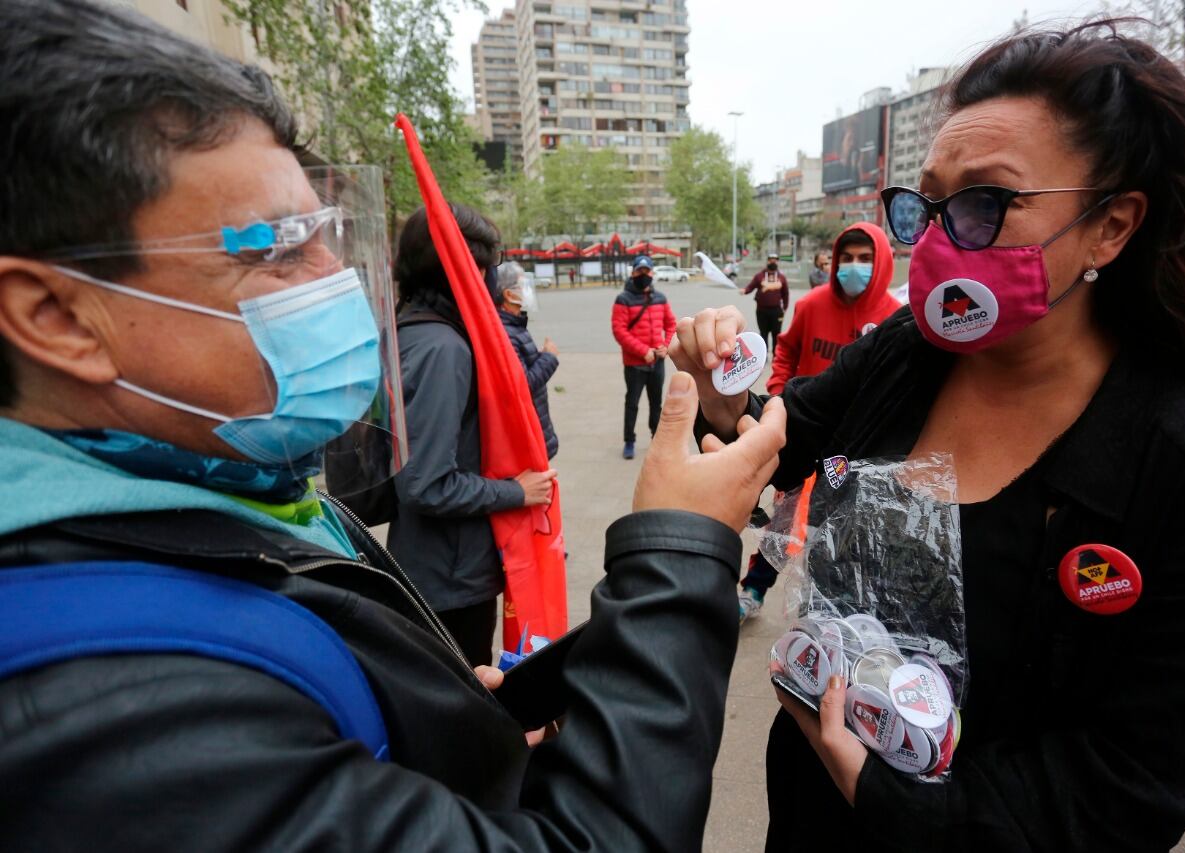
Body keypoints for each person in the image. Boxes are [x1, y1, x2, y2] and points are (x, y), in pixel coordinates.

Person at [0, 2, 790, 848]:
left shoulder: (232, 481)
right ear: (58, 318)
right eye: (275, 250)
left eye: (330, 240)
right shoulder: (109, 714)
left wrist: (455, 721)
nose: (333, 283)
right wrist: (681, 547)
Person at [672, 21, 1185, 850]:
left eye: (986, 202)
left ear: (1112, 225)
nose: (939, 239)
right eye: (927, 203)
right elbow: (774, 442)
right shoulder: (904, 354)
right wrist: (717, 398)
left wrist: (901, 805)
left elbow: (1147, 776)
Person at [389, 205, 555, 668]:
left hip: (441, 566)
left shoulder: (418, 331)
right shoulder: (442, 349)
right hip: (449, 579)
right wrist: (516, 491)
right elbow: (425, 482)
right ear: (466, 270)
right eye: (488, 265)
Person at [737, 223, 901, 622]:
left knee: (842, 530)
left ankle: (827, 606)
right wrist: (778, 394)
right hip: (805, 437)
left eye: (865, 259)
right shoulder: (811, 305)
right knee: (783, 519)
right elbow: (787, 349)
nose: (854, 266)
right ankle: (753, 589)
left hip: (858, 449)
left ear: (882, 264)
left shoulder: (896, 319)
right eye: (847, 258)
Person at [611, 255, 677, 460]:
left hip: (657, 362)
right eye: (639, 271)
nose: (643, 275)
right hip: (635, 364)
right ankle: (629, 440)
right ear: (633, 273)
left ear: (652, 273)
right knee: (632, 403)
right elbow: (619, 331)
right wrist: (643, 351)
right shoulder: (623, 299)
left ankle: (656, 439)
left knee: (656, 403)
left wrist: (665, 347)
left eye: (646, 271)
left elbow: (671, 324)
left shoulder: (660, 298)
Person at [493, 262, 560, 459]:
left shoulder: (515, 324)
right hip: (526, 431)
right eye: (522, 285)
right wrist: (548, 357)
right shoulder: (506, 331)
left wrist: (538, 357)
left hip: (535, 423)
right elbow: (523, 385)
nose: (527, 291)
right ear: (508, 294)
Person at [743, 251, 790, 353]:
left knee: (776, 334)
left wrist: (785, 308)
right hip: (762, 311)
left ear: (777, 262)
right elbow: (751, 286)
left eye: (775, 260)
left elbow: (785, 293)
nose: (773, 262)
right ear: (767, 261)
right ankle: (763, 355)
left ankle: (776, 355)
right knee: (763, 333)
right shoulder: (759, 276)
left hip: (777, 311)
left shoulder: (781, 277)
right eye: (771, 260)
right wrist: (745, 291)